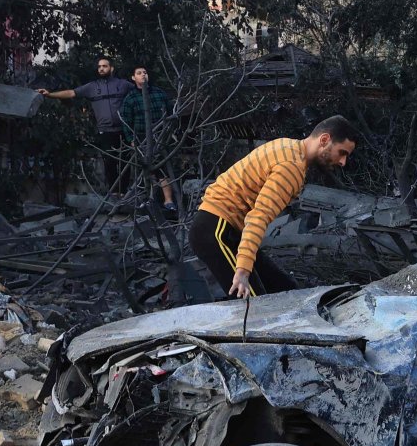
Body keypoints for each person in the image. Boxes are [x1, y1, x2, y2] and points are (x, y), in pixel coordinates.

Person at [190, 116, 358, 299]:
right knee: (256, 308)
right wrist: (243, 270)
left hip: (225, 227)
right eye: (342, 153)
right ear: (324, 140)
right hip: (216, 230)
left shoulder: (287, 146)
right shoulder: (291, 167)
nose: (343, 162)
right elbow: (258, 217)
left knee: (284, 290)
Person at [37, 55, 134, 193]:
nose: (101, 68)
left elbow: (139, 92)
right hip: (105, 131)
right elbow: (71, 93)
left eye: (104, 66)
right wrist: (50, 94)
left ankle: (124, 192)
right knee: (109, 163)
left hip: (123, 129)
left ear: (111, 68)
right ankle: (114, 193)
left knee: (125, 162)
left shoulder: (123, 84)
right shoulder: (92, 87)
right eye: (99, 66)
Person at [119, 67, 177, 217]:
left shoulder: (158, 93)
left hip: (160, 138)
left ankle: (168, 201)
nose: (143, 75)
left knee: (162, 170)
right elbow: (126, 121)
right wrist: (131, 141)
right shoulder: (130, 98)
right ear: (133, 78)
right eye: (139, 73)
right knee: (143, 171)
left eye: (145, 72)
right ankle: (144, 201)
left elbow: (171, 114)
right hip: (140, 140)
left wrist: (169, 133)